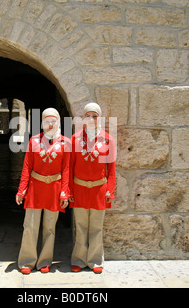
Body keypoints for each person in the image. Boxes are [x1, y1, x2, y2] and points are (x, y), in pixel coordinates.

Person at [16, 108, 70, 274]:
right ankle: (27, 261)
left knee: (49, 227)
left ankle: (45, 261)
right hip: (35, 188)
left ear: (58, 123)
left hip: (54, 189)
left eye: (53, 121)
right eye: (47, 121)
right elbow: (27, 166)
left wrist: (64, 192)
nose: (50, 124)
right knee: (30, 225)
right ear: (42, 123)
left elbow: (66, 169)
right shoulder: (33, 141)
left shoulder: (65, 143)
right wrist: (21, 190)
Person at [69, 102, 116, 274]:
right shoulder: (75, 139)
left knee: (96, 226)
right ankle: (79, 259)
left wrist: (110, 189)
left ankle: (95, 260)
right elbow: (70, 167)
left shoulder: (108, 139)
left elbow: (111, 168)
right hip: (79, 189)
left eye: (94, 116)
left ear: (99, 118)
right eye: (87, 116)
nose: (91, 119)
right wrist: (69, 190)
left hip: (99, 190)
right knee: (81, 226)